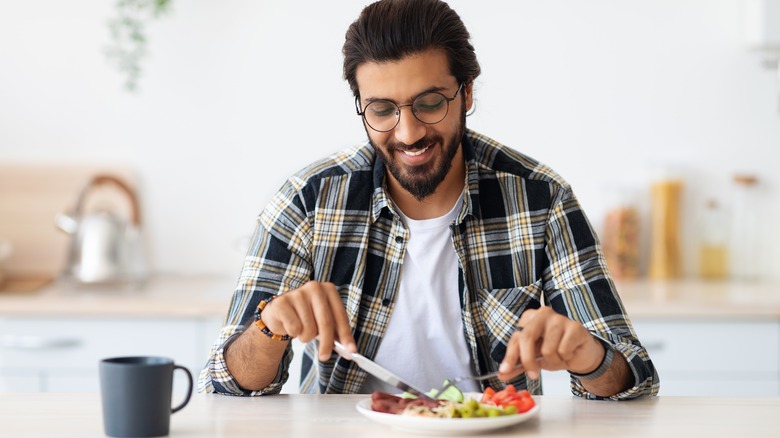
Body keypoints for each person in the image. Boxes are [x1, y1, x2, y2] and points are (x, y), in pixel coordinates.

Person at [199, 0, 659, 400]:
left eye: (431, 103)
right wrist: (270, 326)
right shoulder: (307, 201)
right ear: (362, 106)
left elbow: (634, 379)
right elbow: (225, 385)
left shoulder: (539, 198)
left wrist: (588, 356)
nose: (408, 132)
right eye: (382, 110)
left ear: (467, 93)